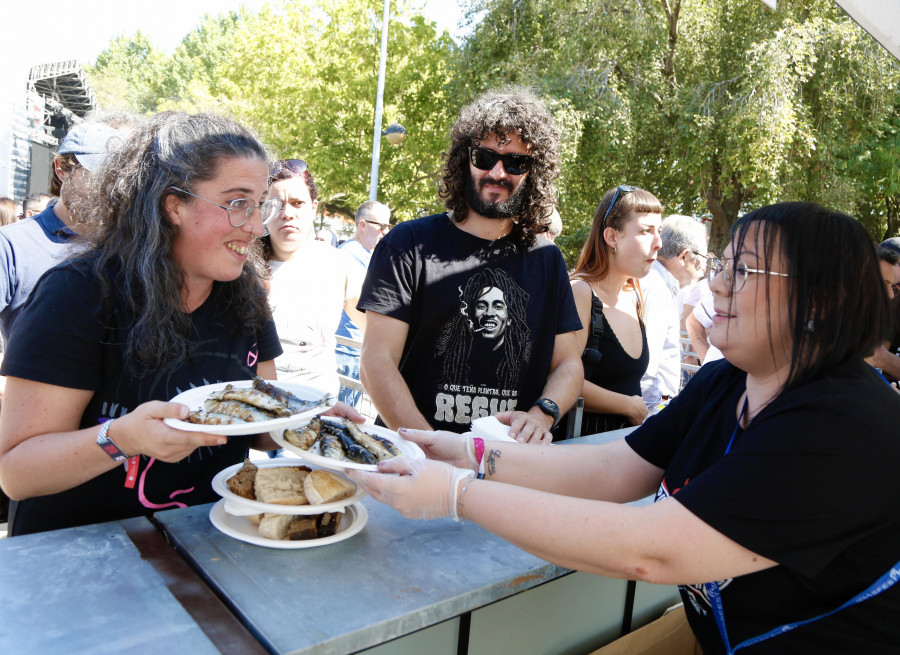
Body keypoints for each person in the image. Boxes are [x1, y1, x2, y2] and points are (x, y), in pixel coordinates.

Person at [350, 201, 900, 654]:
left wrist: (456, 496)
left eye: (744, 271)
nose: (717, 289)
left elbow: (652, 550)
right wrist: (467, 454)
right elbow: (616, 467)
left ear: (822, 301)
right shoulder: (728, 381)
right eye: (721, 267)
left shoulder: (843, 426)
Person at [0, 112, 359, 537]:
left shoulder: (245, 299)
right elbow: (17, 471)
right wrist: (122, 439)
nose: (256, 226)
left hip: (206, 550)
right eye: (238, 203)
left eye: (262, 204)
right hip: (80, 566)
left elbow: (263, 433)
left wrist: (312, 423)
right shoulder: (78, 294)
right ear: (173, 205)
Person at [358, 87, 583, 444]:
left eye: (516, 162)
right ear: (464, 159)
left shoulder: (547, 259)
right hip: (413, 461)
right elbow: (376, 362)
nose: (498, 172)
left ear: (532, 173)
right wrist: (430, 450)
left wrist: (543, 413)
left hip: (506, 466)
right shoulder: (407, 244)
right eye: (484, 156)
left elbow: (569, 364)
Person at [0, 121, 123, 344]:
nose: (107, 188)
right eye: (96, 175)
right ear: (61, 169)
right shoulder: (10, 244)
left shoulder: (130, 242)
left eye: (115, 178)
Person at [558, 185, 661, 436]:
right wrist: (628, 405)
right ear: (612, 237)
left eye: (660, 231)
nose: (658, 243)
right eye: (646, 231)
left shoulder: (635, 294)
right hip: (582, 450)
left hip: (624, 449)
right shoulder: (580, 292)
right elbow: (560, 378)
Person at [263, 159, 365, 396]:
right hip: (258, 412)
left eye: (297, 203)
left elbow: (379, 334)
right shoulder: (242, 268)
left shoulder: (339, 264)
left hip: (320, 412)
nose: (287, 213)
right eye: (276, 205)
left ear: (313, 207)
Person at [640, 214, 708, 408]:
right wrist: (652, 412)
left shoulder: (652, 281)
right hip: (649, 408)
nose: (703, 266)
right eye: (702, 257)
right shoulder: (657, 288)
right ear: (685, 255)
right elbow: (647, 365)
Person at [335, 200, 390, 407]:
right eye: (381, 226)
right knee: (344, 420)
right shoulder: (349, 255)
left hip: (355, 349)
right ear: (362, 225)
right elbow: (355, 303)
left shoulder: (365, 255)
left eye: (388, 226)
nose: (386, 231)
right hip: (347, 351)